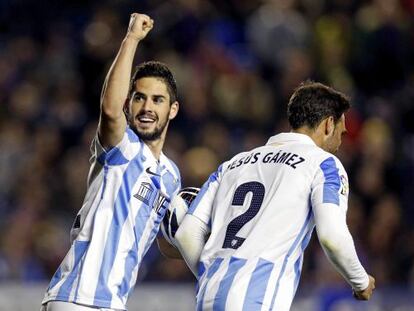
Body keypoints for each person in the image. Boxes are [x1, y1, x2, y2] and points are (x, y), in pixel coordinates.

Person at [175, 81, 375, 311]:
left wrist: (209, 275)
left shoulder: (232, 164)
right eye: (341, 133)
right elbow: (332, 237)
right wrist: (360, 281)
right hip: (256, 299)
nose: (340, 143)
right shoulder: (323, 164)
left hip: (207, 297)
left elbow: (186, 234)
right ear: (329, 124)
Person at [41, 13, 182, 311]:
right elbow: (109, 110)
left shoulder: (171, 176)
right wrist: (131, 39)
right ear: (128, 104)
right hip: (78, 298)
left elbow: (166, 244)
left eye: (157, 100)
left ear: (173, 110)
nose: (147, 107)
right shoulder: (121, 146)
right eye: (139, 98)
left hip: (112, 303)